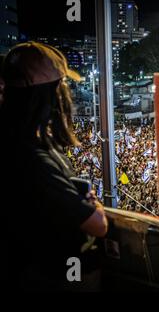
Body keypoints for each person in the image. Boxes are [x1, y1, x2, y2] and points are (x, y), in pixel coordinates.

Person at [0, 42, 108, 291]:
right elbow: (97, 224)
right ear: (47, 95)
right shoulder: (31, 157)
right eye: (61, 86)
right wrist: (96, 206)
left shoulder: (17, 140)